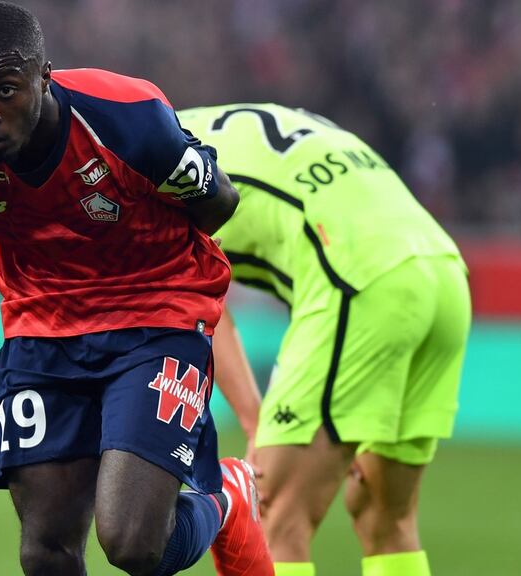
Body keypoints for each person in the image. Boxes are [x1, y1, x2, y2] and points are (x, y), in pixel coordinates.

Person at [0, 3, 272, 575]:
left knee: (132, 543)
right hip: (42, 328)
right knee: (45, 552)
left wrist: (141, 259)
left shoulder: (127, 121)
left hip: (155, 314)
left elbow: (219, 202)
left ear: (44, 77)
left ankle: (225, 499)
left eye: (5, 91)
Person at [176, 103, 471, 576]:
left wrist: (256, 424)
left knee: (273, 515)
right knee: (385, 516)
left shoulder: (147, 164)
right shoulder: (197, 125)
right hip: (443, 271)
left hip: (360, 279)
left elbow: (196, 302)